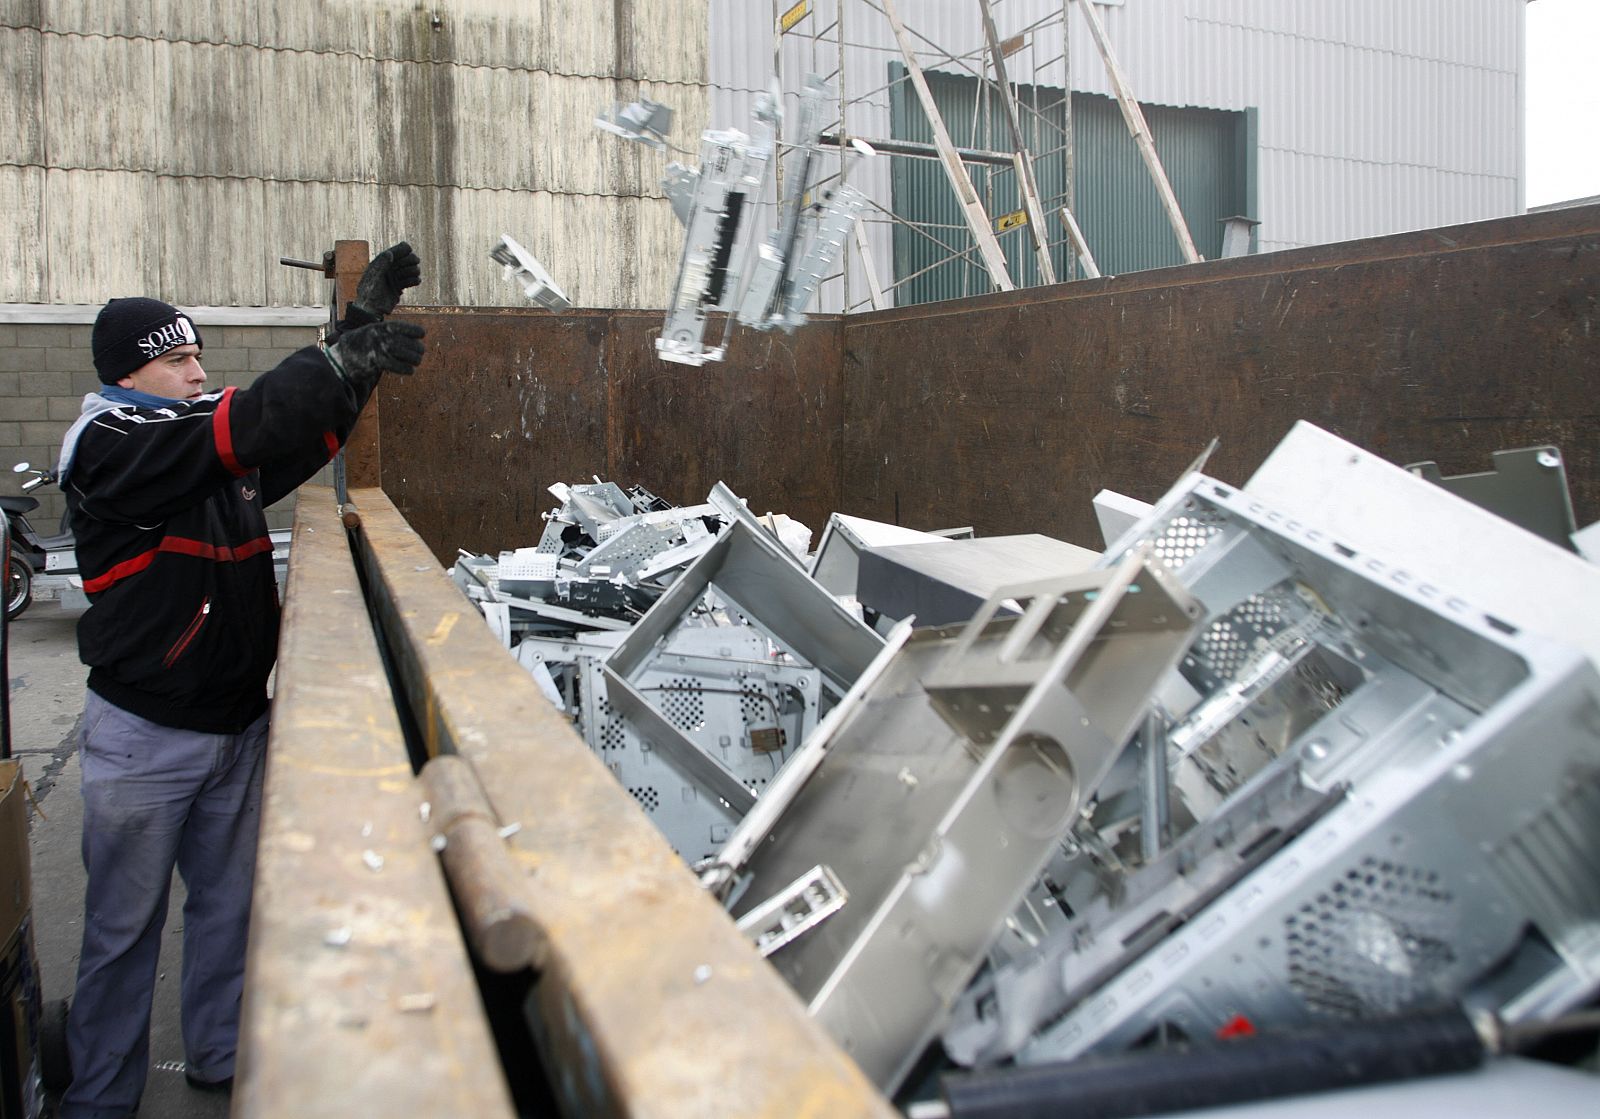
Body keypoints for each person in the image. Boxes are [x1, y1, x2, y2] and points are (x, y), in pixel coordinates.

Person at [55, 243, 428, 1118]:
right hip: (144, 738)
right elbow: (242, 426)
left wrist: (357, 340)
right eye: (178, 359)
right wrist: (338, 353)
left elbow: (282, 430)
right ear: (129, 373)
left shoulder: (190, 437)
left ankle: (221, 1059)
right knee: (121, 934)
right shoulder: (108, 443)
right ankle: (100, 1098)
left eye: (197, 356)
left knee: (227, 913)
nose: (198, 370)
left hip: (234, 727)